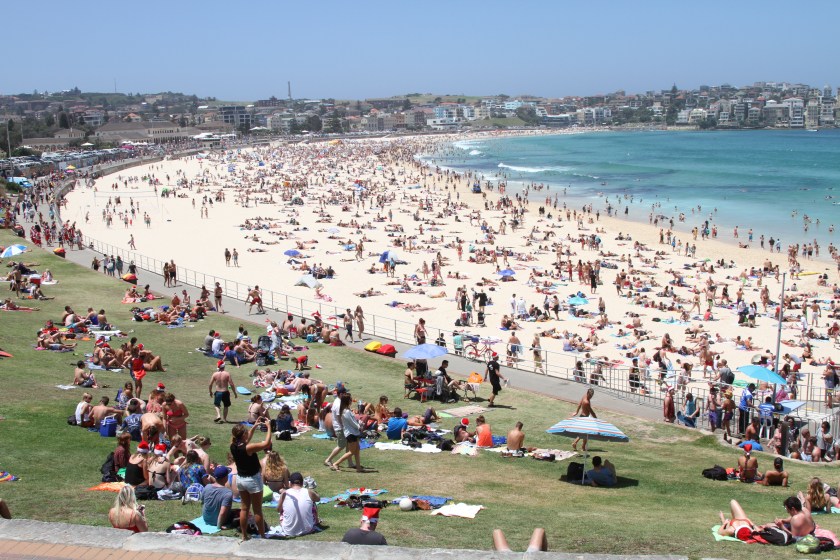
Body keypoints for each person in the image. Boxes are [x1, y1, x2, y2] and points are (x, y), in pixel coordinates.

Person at [230, 420, 273, 540]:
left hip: (241, 479)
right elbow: (266, 443)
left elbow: (246, 438)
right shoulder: (248, 448)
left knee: (244, 508)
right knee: (257, 510)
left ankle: (244, 535)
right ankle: (263, 536)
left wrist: (254, 426)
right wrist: (269, 427)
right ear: (243, 435)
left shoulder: (233, 446)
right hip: (252, 480)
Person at [273, 472, 321, 537]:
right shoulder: (308, 492)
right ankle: (317, 521)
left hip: (289, 531)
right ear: (302, 483)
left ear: (290, 483)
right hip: (308, 529)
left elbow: (278, 510)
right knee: (313, 503)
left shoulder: (285, 493)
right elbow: (318, 499)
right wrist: (314, 492)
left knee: (282, 509)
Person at [332, 393, 366, 472]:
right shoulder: (346, 412)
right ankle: (336, 463)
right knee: (351, 452)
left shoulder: (346, 411)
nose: (351, 400)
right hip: (351, 433)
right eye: (350, 399)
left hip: (353, 432)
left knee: (357, 450)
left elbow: (352, 421)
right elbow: (352, 423)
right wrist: (359, 426)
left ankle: (358, 467)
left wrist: (358, 423)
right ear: (348, 401)